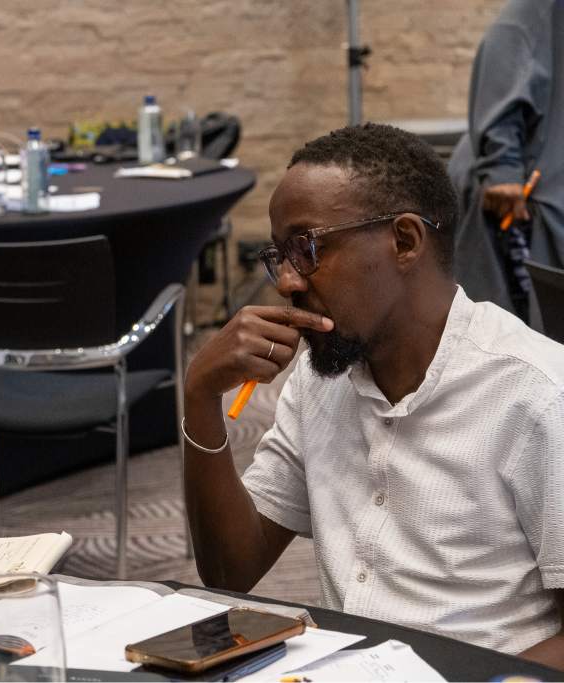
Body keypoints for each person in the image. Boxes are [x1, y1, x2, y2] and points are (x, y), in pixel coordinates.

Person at [183, 123, 564, 666]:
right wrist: (200, 397)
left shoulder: (538, 395)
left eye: (307, 248)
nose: (287, 281)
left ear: (405, 241)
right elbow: (230, 571)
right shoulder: (320, 380)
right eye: (279, 255)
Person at [448, 0, 564, 323]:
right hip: (515, 200)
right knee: (510, 329)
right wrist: (502, 168)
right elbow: (507, 49)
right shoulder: (537, 10)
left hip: (542, 196)